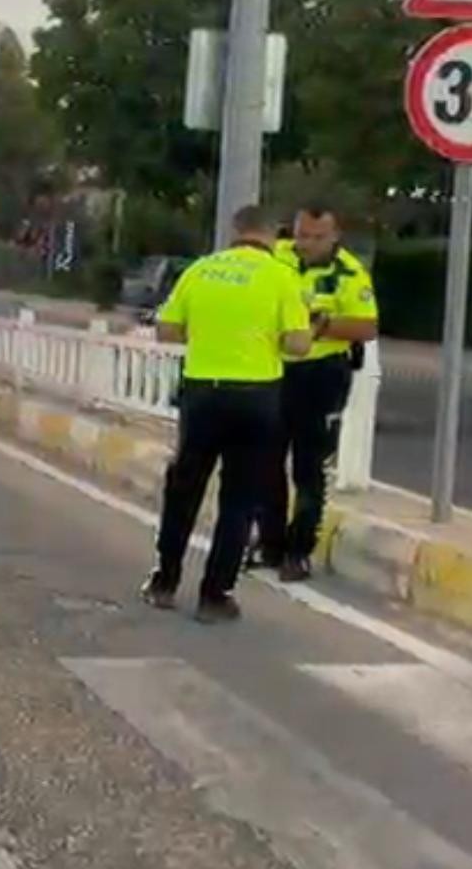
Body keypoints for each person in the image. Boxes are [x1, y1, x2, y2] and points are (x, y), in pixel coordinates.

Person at [145, 205, 312, 623]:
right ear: (272, 234)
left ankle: (164, 581)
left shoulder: (201, 270)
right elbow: (297, 344)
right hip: (256, 399)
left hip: (202, 394)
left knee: (183, 491)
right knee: (239, 500)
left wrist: (207, 332)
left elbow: (166, 329)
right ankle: (215, 595)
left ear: (234, 231)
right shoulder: (282, 278)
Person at [255, 206, 380, 582]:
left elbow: (366, 326)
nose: (306, 243)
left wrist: (318, 326)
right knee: (265, 462)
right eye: (301, 235)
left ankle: (299, 550)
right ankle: (269, 543)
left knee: (309, 468)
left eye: (316, 237)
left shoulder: (349, 272)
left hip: (321, 374)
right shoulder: (275, 257)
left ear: (335, 236)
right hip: (275, 371)